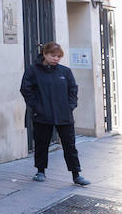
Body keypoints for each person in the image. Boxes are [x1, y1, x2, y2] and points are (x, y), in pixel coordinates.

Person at [22, 42, 88, 186]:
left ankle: (76, 174)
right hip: (42, 115)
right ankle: (40, 171)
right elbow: (26, 90)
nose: (56, 59)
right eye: (53, 55)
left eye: (59, 56)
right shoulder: (33, 71)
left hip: (64, 115)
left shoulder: (65, 72)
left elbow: (73, 90)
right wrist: (37, 107)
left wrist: (70, 106)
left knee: (69, 145)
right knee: (41, 144)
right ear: (44, 54)